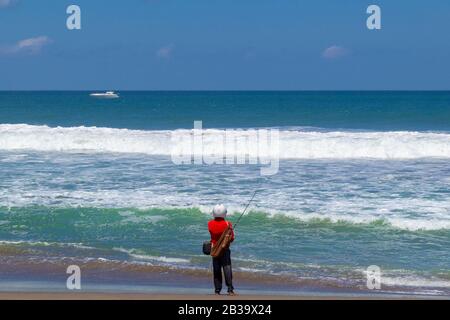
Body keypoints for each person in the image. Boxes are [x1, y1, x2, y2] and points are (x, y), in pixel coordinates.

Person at [208, 204, 235, 295]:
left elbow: (213, 234)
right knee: (227, 268)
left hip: (214, 249)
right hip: (225, 249)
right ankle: (230, 290)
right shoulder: (228, 224)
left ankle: (217, 290)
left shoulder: (210, 223)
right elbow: (231, 239)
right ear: (224, 213)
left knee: (216, 270)